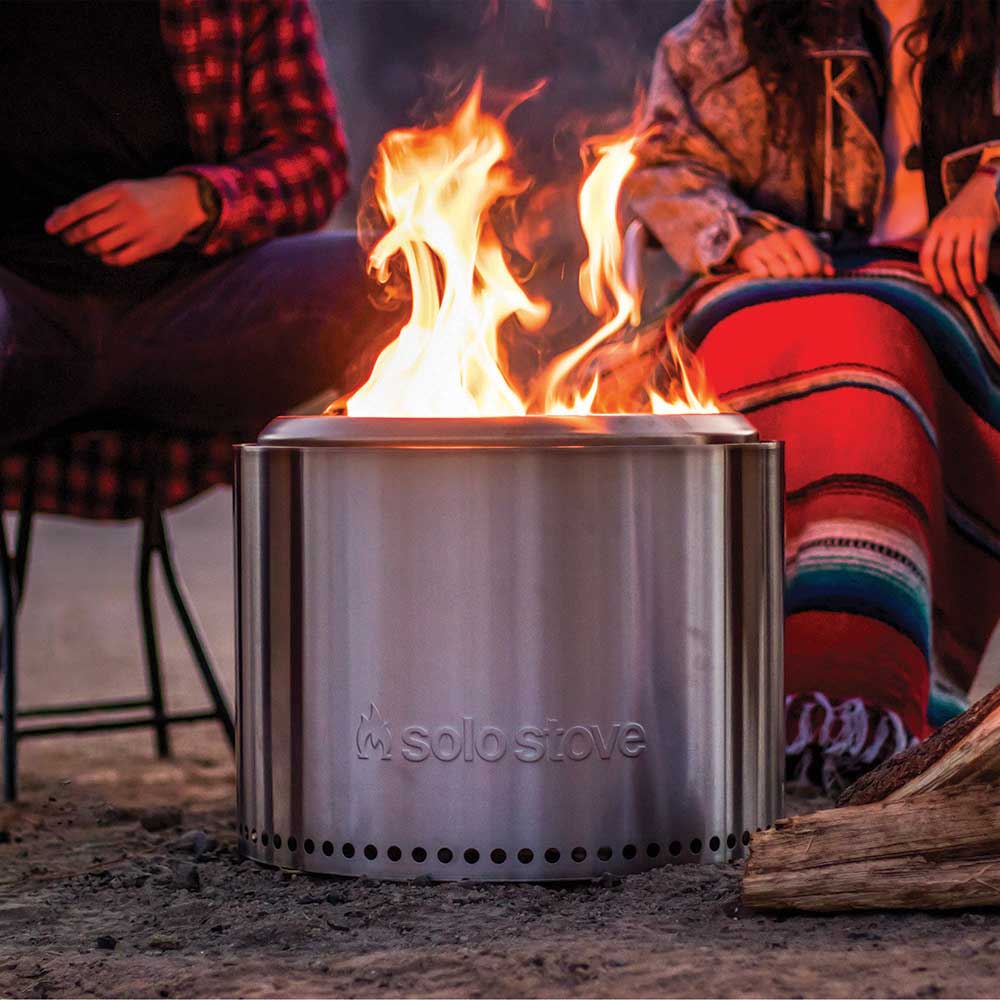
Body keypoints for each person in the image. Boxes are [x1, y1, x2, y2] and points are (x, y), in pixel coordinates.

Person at [629, 0, 1000, 793]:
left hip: (956, 292)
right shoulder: (748, 21)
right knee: (735, 356)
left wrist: (991, 187)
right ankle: (720, 707)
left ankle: (856, 702)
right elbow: (662, 168)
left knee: (872, 356)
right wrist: (740, 234)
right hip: (780, 276)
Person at [0, 0, 394, 450]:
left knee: (398, 276)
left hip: (194, 306)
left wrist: (201, 201)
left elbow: (317, 161)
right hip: (20, 308)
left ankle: (372, 511)